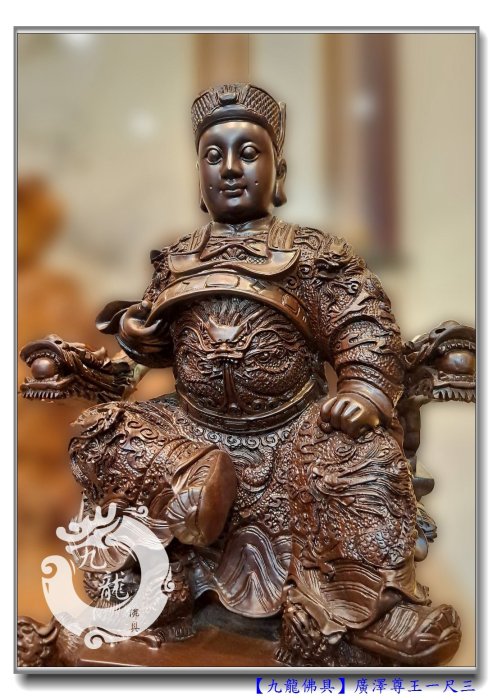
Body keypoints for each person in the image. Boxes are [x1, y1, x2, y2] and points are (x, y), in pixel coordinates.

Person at [70, 83, 461, 666]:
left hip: (295, 435)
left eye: (248, 153)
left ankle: (373, 606)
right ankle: (150, 563)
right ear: (198, 178)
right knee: (100, 432)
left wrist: (363, 388)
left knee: (364, 457)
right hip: (192, 433)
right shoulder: (177, 258)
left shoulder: (314, 255)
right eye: (213, 155)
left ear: (279, 173)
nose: (230, 168)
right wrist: (137, 334)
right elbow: (154, 336)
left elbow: (363, 324)